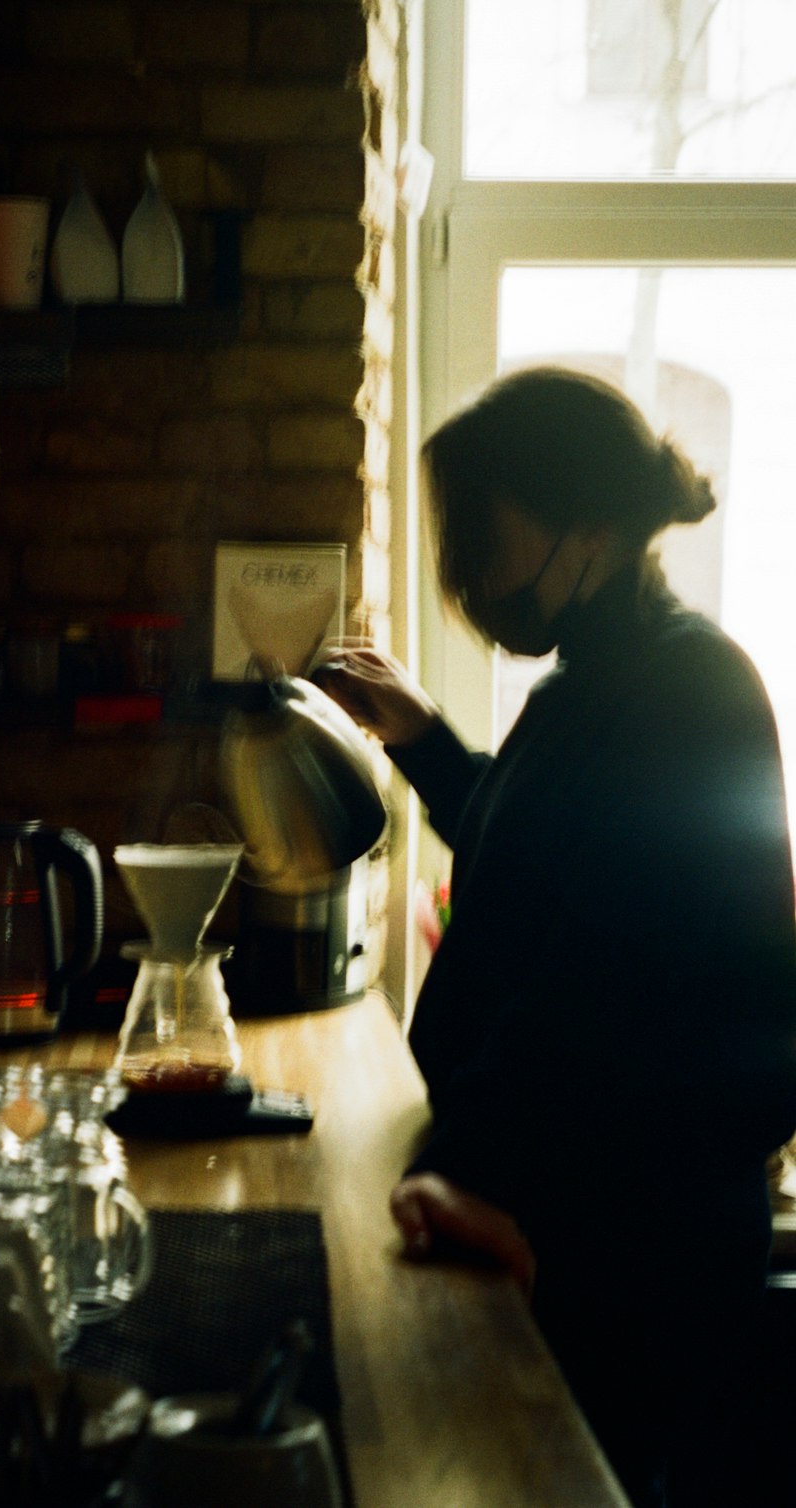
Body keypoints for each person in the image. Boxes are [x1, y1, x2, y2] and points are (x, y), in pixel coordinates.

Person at [315, 366, 796, 1508]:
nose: (473, 575)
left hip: (631, 1245)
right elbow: (540, 838)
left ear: (587, 524)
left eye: (485, 533)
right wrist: (420, 734)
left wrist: (465, 1173)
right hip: (576, 1211)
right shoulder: (606, 679)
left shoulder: (686, 693)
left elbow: (604, 983)